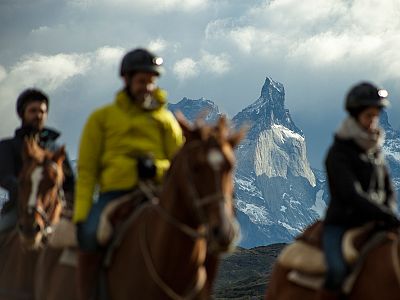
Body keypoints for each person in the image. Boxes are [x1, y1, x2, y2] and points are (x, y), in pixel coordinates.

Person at [73, 48, 184, 300]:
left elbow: (179, 165)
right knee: (90, 236)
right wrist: (81, 216)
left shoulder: (166, 121)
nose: (147, 87)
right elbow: (87, 170)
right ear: (126, 80)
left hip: (157, 193)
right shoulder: (101, 119)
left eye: (151, 81)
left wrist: (156, 168)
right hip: (114, 195)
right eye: (141, 81)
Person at [320, 82, 400, 300]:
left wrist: (390, 212)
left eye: (376, 115)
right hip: (341, 225)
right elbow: (350, 194)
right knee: (336, 270)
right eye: (368, 115)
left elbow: (389, 190)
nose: (372, 120)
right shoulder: (339, 153)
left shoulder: (376, 152)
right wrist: (384, 214)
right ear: (355, 117)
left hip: (376, 224)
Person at [0, 88, 75, 231]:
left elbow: (71, 182)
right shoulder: (8, 146)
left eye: (42, 111)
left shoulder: (56, 149)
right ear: (23, 114)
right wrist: (27, 191)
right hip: (19, 207)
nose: (38, 115)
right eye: (33, 111)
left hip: (55, 207)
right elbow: (4, 175)